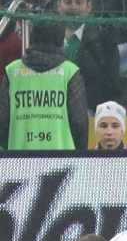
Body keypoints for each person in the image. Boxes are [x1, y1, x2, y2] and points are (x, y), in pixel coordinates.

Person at [0, 22, 88, 150]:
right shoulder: (70, 71)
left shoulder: (12, 71)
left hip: (19, 157)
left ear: (32, 36)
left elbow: (2, 120)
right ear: (59, 38)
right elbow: (79, 122)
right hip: (62, 158)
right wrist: (79, 153)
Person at [57, 0, 123, 110]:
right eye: (68, 2)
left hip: (88, 108)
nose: (73, 7)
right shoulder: (48, 38)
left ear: (89, 6)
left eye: (79, 2)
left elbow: (110, 85)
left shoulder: (104, 41)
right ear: (58, 5)